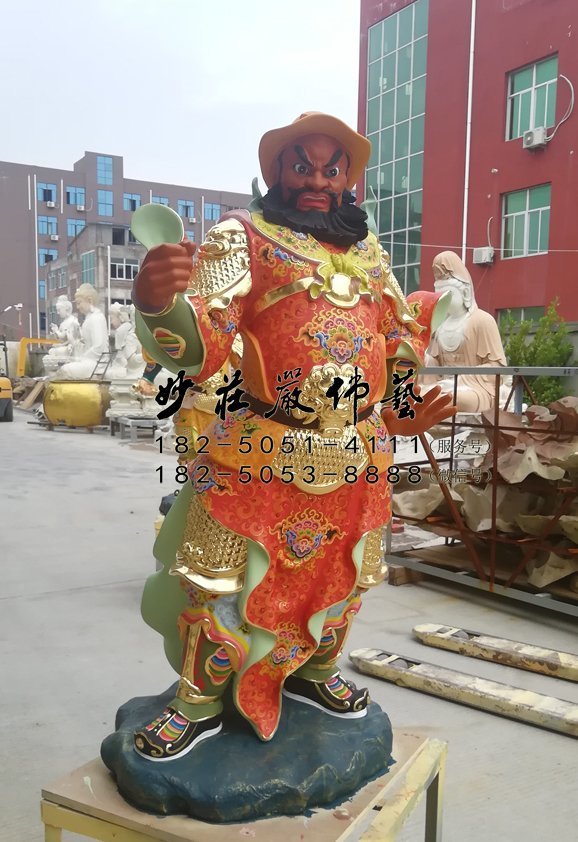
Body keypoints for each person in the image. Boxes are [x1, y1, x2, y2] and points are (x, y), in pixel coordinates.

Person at [131, 112, 455, 761]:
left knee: (347, 576)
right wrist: (158, 304)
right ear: (276, 170)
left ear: (348, 178)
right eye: (302, 166)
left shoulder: (368, 251)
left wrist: (398, 409)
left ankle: (314, 671)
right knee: (218, 581)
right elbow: (204, 348)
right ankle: (197, 701)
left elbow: (394, 338)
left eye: (331, 169)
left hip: (358, 451)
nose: (316, 180)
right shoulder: (240, 236)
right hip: (257, 449)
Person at [423, 251, 507, 412]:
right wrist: (424, 359)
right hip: (442, 385)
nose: (442, 299)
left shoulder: (482, 320)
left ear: (465, 292)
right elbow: (434, 364)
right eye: (438, 294)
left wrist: (459, 381)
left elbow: (496, 367)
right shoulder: (439, 326)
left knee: (452, 398)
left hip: (474, 388)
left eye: (448, 294)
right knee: (413, 394)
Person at [59, 284, 109, 380]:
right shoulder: (89, 318)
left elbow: (99, 347)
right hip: (88, 360)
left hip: (97, 364)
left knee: (65, 370)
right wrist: (74, 342)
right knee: (64, 365)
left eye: (79, 303)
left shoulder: (96, 318)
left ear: (90, 300)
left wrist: (81, 358)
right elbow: (85, 346)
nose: (77, 307)